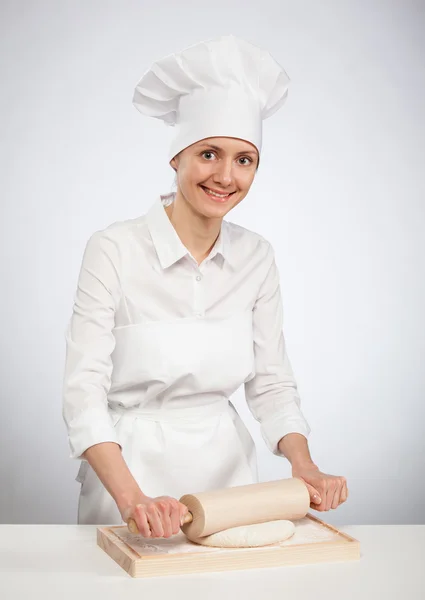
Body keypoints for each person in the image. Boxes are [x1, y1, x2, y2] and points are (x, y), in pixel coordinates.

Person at [62, 34, 348, 540]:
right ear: (176, 158)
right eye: (209, 153)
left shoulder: (257, 257)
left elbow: (271, 382)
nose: (225, 176)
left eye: (245, 159)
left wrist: (302, 464)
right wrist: (134, 498)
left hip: (228, 486)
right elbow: (83, 393)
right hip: (129, 480)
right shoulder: (114, 249)